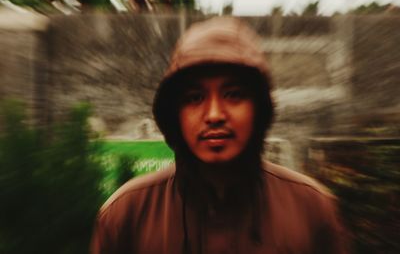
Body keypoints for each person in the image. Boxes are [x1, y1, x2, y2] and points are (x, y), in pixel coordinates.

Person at [90, 17, 347, 254]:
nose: (214, 115)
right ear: (174, 114)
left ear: (259, 108)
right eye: (195, 98)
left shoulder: (311, 210)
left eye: (233, 94)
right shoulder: (127, 215)